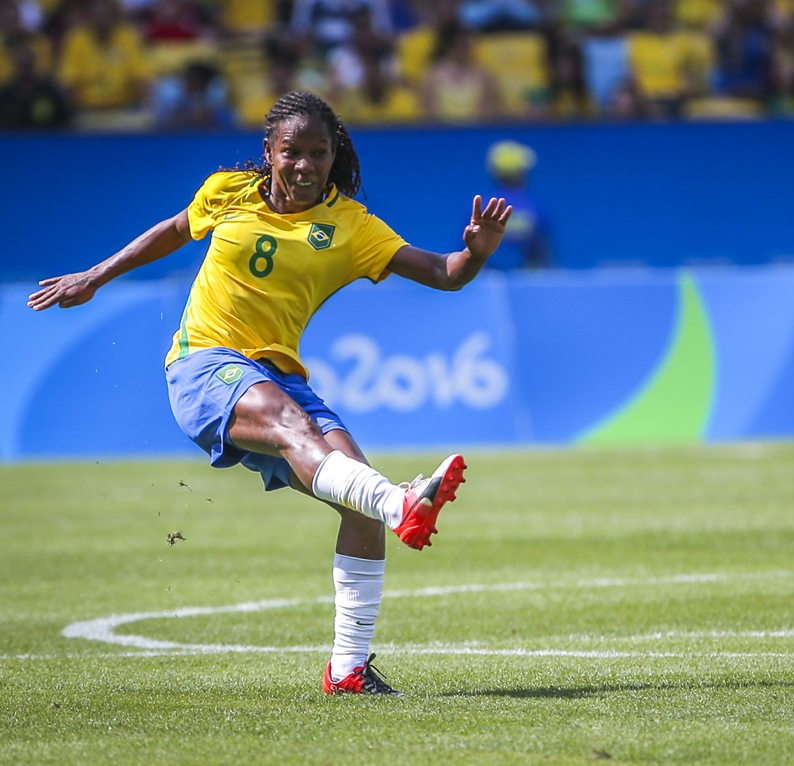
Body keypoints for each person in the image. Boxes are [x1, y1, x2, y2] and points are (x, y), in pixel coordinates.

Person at [28, 90, 513, 696]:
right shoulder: (225, 190)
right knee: (306, 438)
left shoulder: (351, 226)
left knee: (353, 500)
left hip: (280, 377)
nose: (306, 165)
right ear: (270, 152)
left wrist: (478, 252)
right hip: (204, 365)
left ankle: (348, 671)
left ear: (335, 155)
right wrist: (94, 277)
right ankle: (401, 503)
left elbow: (446, 274)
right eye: (293, 153)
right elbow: (177, 229)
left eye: (319, 153)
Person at [484, 140, 552, 269]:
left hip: (485, 281)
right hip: (528, 283)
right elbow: (543, 255)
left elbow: (466, 250)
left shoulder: (480, 206)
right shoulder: (536, 208)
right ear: (524, 173)